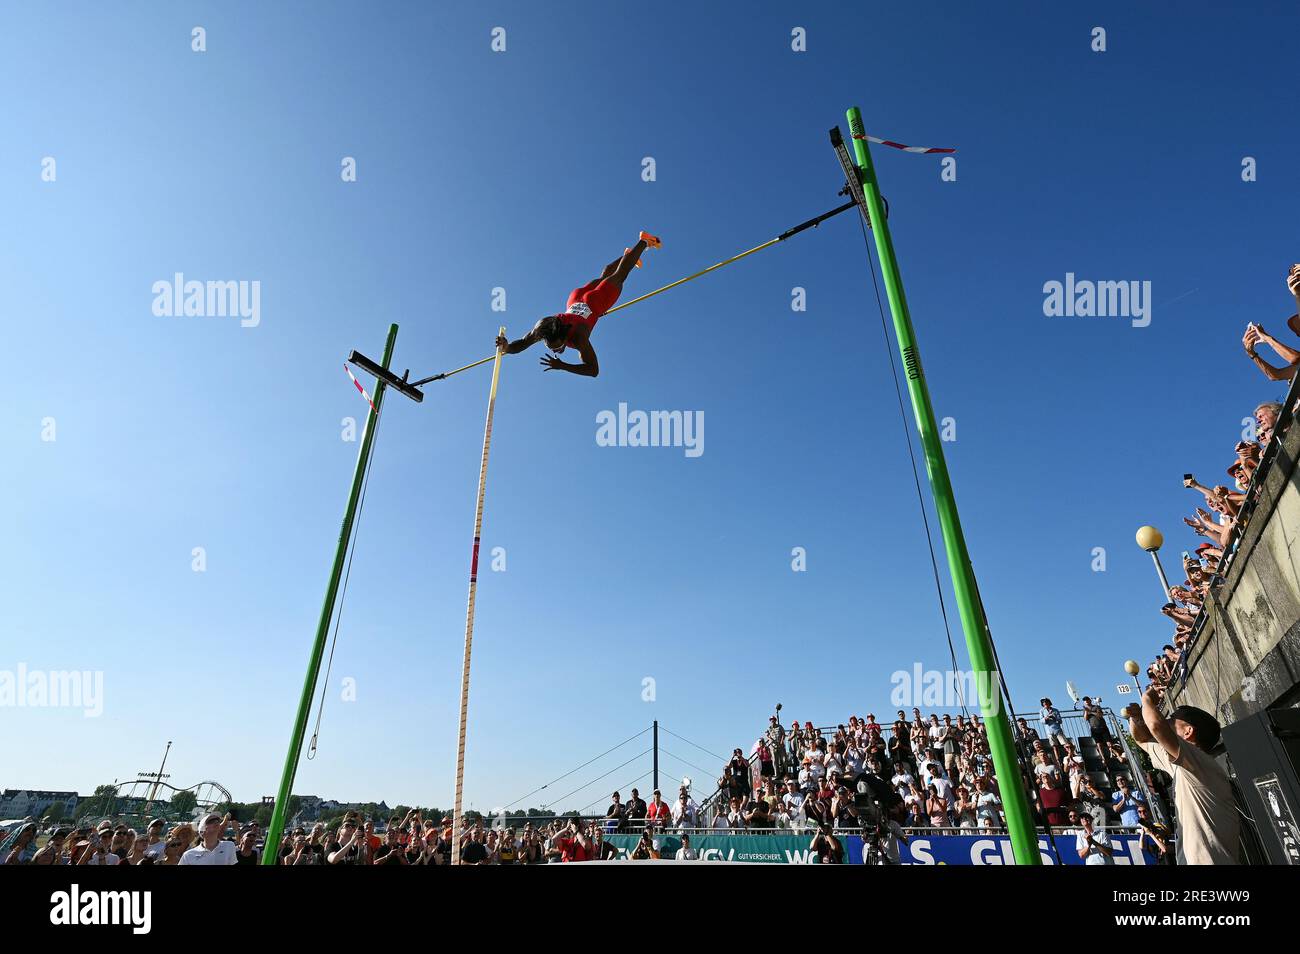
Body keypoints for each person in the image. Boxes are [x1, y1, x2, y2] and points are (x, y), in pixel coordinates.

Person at [495, 232, 662, 378]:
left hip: (596, 302)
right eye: (553, 347)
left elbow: (593, 370)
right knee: (604, 275)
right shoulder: (543, 328)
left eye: (558, 346)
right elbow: (523, 343)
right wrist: (507, 347)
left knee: (620, 274)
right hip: (576, 299)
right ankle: (628, 256)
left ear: (565, 336)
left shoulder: (578, 338)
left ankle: (644, 242)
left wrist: (563, 366)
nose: (556, 350)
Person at [1124, 689, 1239, 864]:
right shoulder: (1182, 765)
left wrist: (1147, 699)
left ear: (1188, 732)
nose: (1166, 721)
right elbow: (1142, 740)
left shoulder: (1200, 763)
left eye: (1171, 721)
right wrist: (1137, 717)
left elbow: (1156, 726)